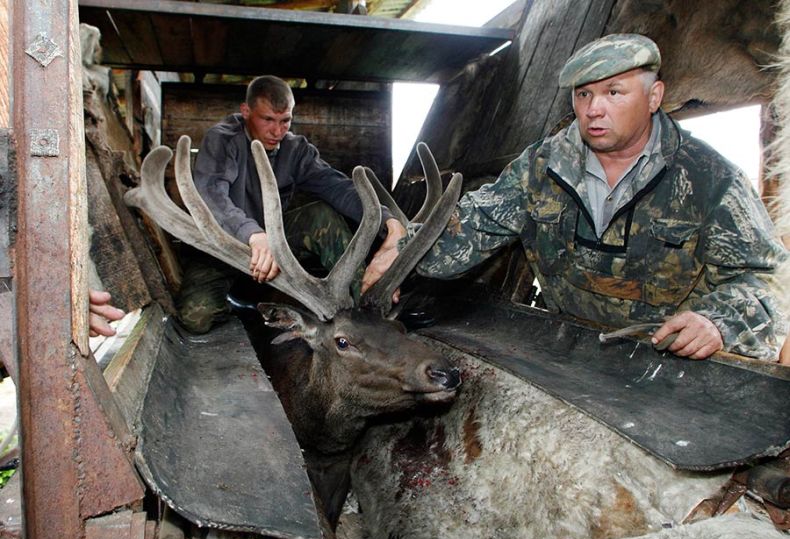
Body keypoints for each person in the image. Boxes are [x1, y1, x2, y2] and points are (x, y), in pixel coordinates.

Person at [363, 33, 788, 361]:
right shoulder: (542, 166)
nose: (593, 110)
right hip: (566, 352)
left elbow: (768, 281)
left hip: (667, 363)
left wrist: (718, 321)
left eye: (614, 93)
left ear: (654, 96)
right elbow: (473, 226)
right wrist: (404, 247)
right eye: (583, 94)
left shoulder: (709, 179)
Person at [177, 75, 406, 334]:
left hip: (272, 249)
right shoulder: (222, 139)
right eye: (268, 120)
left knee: (321, 216)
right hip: (220, 250)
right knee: (196, 319)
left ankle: (366, 309)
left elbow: (338, 187)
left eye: (285, 120)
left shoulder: (295, 149)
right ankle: (242, 309)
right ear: (246, 111)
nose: (278, 131)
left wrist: (389, 223)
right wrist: (253, 234)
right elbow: (211, 196)